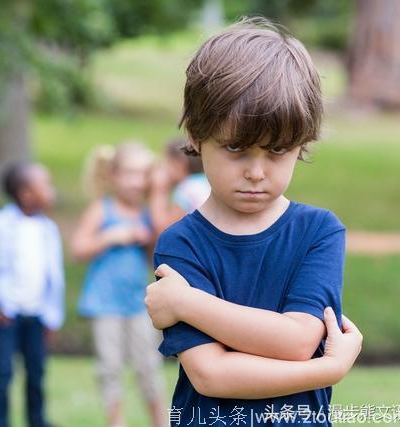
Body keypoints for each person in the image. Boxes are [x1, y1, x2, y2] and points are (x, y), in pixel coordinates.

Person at [143, 18, 363, 426]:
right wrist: (327, 369)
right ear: (196, 136)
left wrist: (186, 302)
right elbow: (212, 375)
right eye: (236, 148)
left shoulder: (318, 231)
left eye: (277, 150)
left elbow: (298, 340)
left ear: (302, 144)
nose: (257, 172)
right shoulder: (182, 243)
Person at [72, 142, 165, 427]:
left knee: (148, 365)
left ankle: (159, 421)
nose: (136, 182)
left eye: (142, 174)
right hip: (104, 304)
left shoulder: (149, 213)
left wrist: (148, 236)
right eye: (129, 173)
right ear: (113, 175)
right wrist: (111, 237)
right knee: (109, 366)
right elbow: (78, 249)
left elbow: (157, 257)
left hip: (140, 303)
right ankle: (116, 421)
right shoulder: (103, 210)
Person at [0, 162, 65, 427]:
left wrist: (53, 317)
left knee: (36, 372)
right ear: (25, 194)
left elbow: (54, 277)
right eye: (45, 185)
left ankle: (37, 419)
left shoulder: (49, 230)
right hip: (5, 313)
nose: (52, 191)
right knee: (2, 371)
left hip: (38, 314)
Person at [149, 137, 211, 235]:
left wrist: (159, 189)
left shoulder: (187, 189)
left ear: (179, 162)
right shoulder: (205, 182)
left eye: (166, 161)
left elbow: (164, 230)